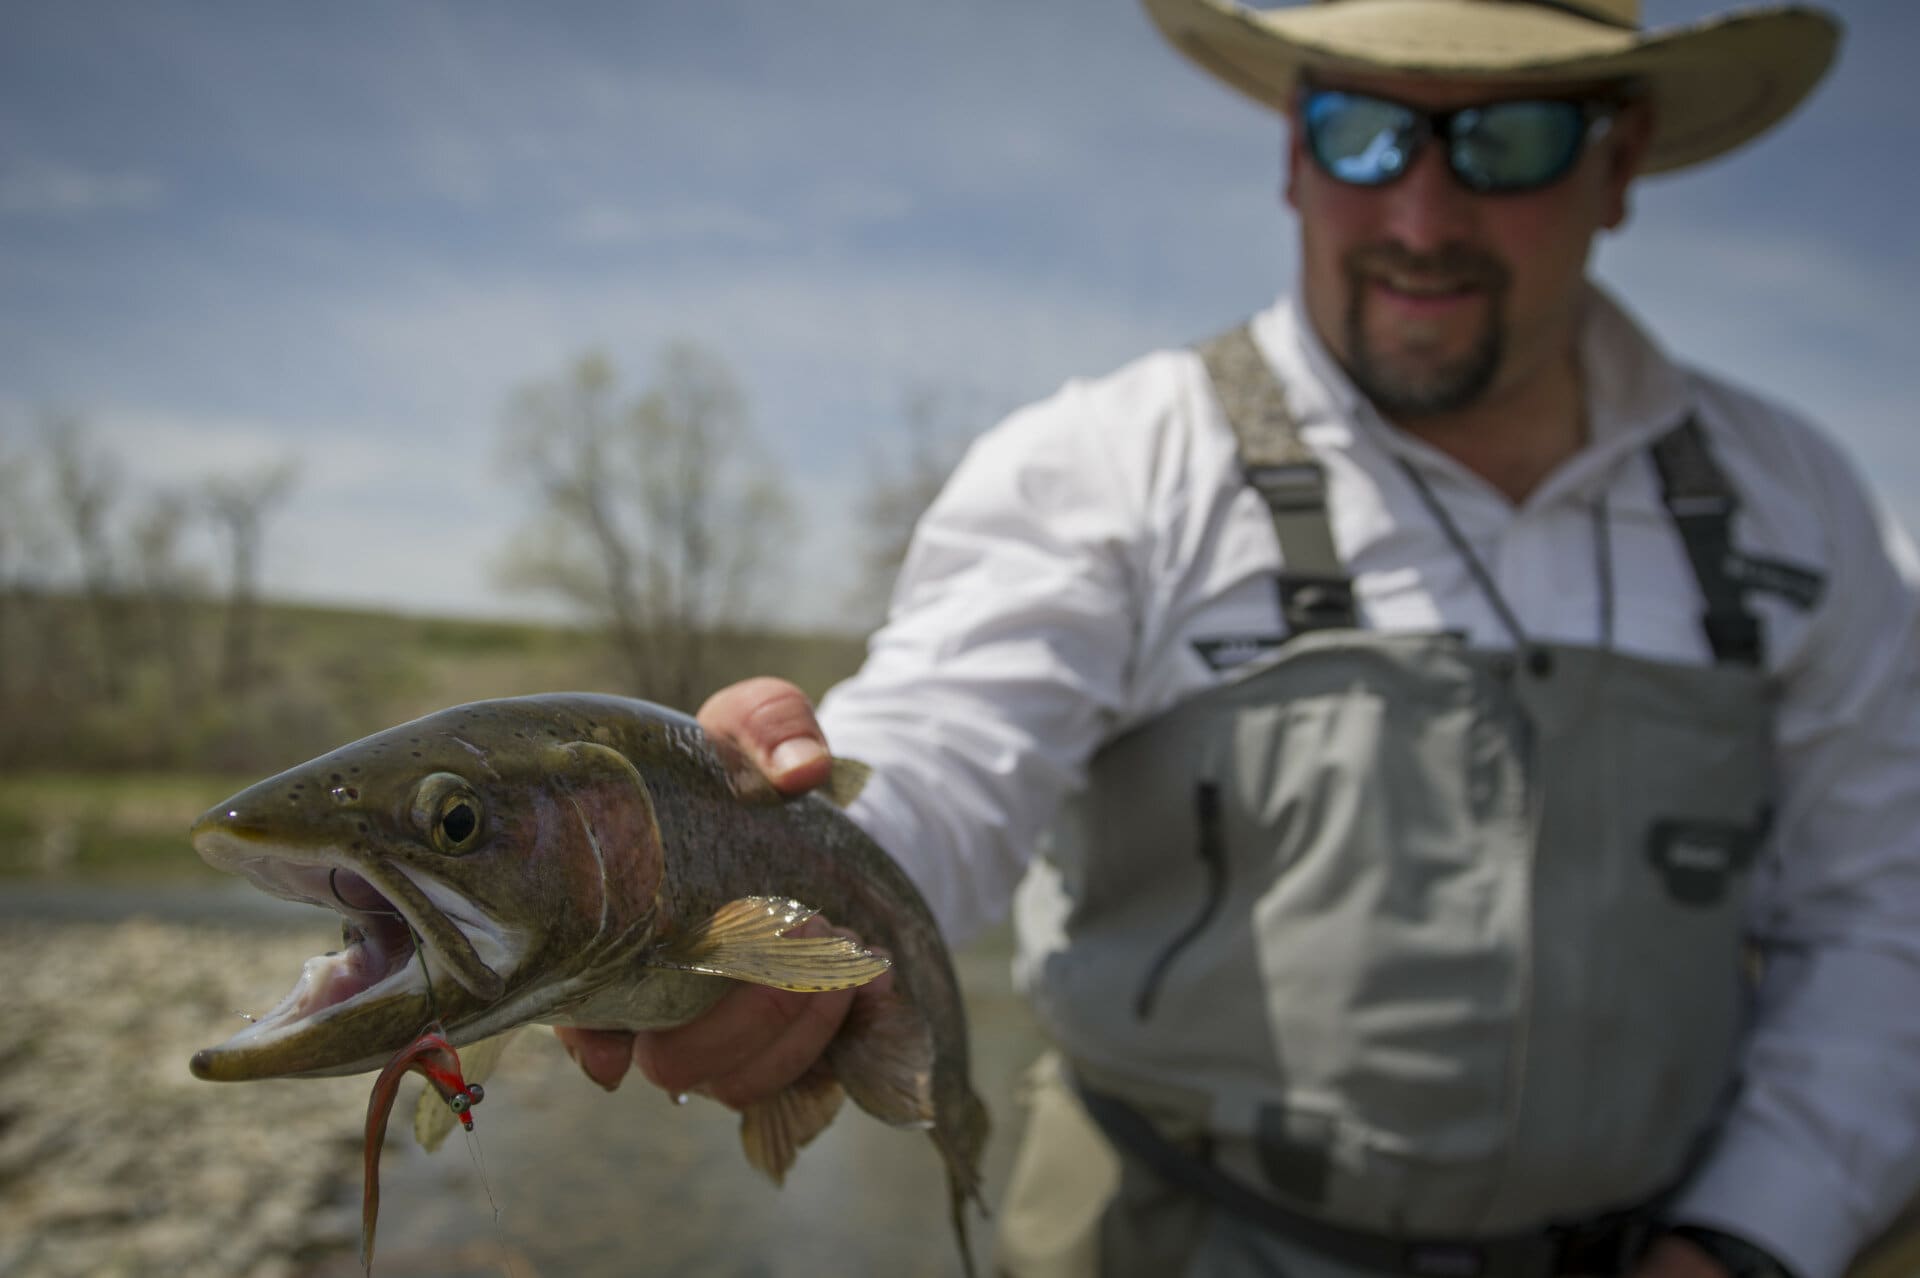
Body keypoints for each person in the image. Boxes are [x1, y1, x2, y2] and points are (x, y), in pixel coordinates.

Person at [557, 1, 1920, 1275]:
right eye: (1364, 133)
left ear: (1618, 162)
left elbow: (1883, 914)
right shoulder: (1113, 464)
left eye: (1507, 138)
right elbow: (940, 761)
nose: (1421, 210)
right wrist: (759, 859)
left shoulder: (1790, 501)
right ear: (1293, 152)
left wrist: (1751, 1237)